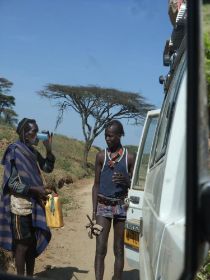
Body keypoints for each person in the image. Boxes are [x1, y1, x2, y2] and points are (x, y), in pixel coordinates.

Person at [0, 118, 55, 276]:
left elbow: (47, 168)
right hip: (19, 205)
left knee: (31, 244)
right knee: (22, 246)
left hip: (34, 203)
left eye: (37, 132)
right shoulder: (14, 150)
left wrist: (49, 150)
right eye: (33, 132)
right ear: (24, 133)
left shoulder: (32, 151)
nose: (36, 135)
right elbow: (10, 183)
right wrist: (33, 189)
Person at [91, 120, 135, 280]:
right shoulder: (101, 156)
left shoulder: (129, 157)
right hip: (103, 206)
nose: (107, 139)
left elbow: (135, 186)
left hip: (121, 207)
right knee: (100, 249)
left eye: (111, 136)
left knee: (119, 250)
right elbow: (96, 186)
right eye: (106, 136)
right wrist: (94, 212)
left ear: (120, 135)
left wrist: (126, 181)